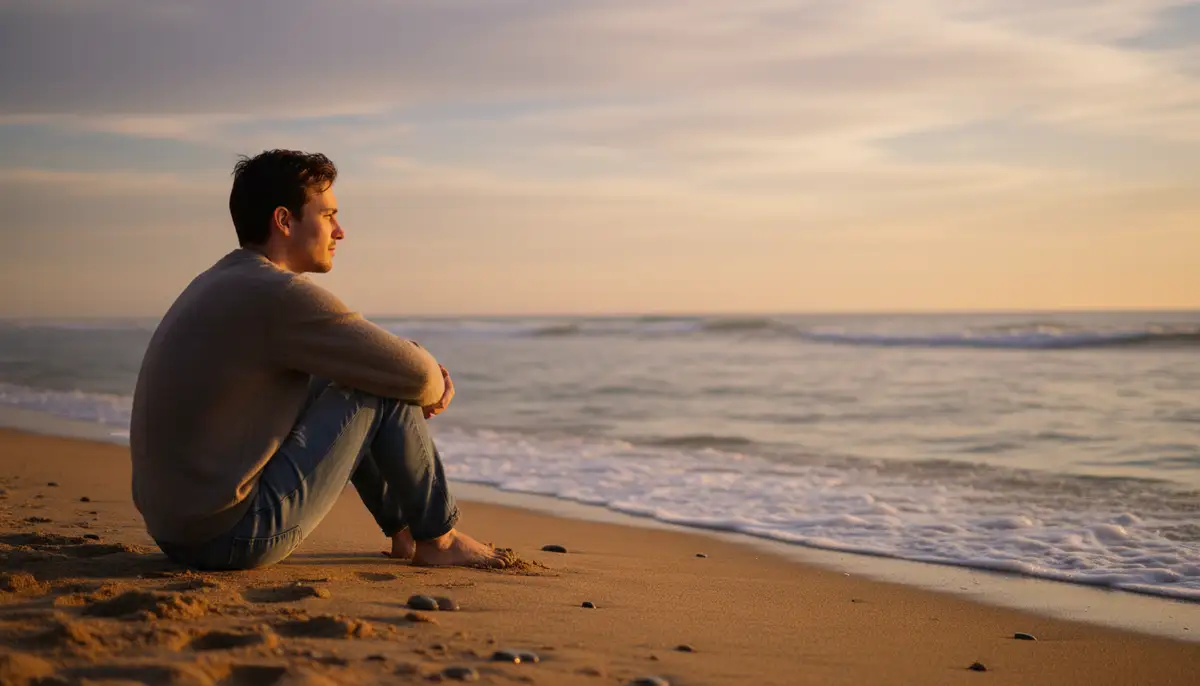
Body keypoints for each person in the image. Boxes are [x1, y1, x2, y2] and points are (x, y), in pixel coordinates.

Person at [129, 149, 510, 571]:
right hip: (229, 536)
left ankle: (405, 533)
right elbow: (415, 376)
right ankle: (439, 537)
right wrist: (434, 379)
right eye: (328, 215)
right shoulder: (278, 294)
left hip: (175, 531)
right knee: (377, 382)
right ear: (284, 221)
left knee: (353, 373)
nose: (340, 231)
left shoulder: (215, 282)